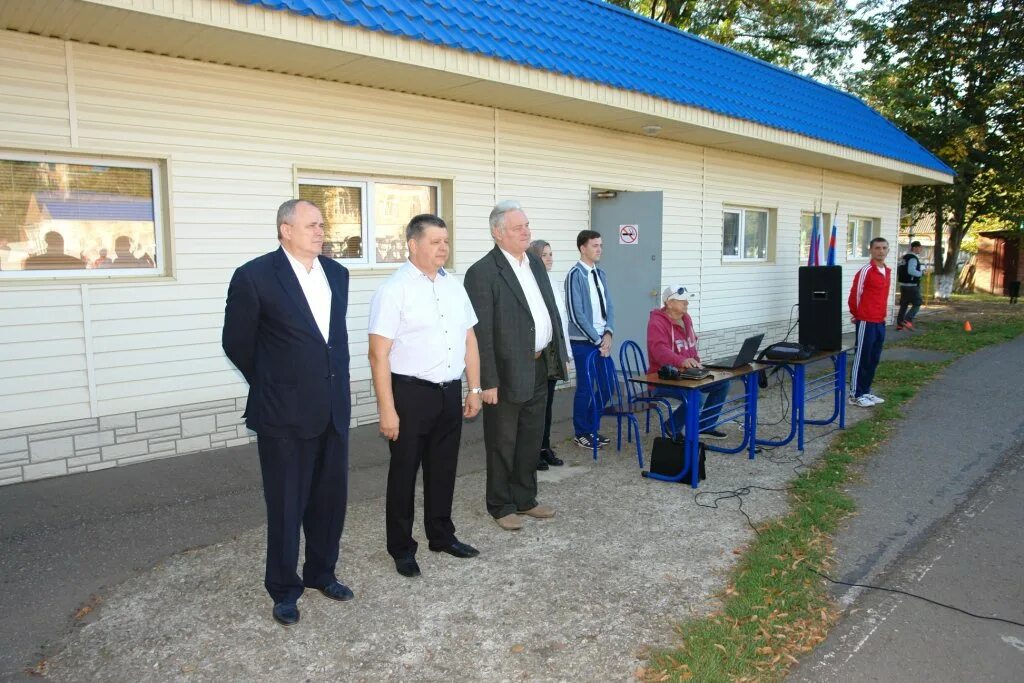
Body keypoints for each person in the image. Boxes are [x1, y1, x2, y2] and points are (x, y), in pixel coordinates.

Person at [222, 199, 353, 627]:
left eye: (322, 225)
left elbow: (332, 341)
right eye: (312, 225)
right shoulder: (255, 276)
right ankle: (283, 588)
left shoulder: (337, 273)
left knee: (329, 501)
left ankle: (322, 573)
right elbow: (237, 343)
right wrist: (274, 384)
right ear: (285, 230)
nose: (321, 231)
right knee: (285, 505)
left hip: (332, 409)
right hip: (282, 414)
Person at [368, 214, 483, 579]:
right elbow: (378, 354)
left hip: (448, 392)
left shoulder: (454, 286)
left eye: (446, 241)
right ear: (413, 245)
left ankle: (441, 535)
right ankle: (401, 548)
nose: (443, 248)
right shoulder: (394, 289)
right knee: (404, 473)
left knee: (444, 469)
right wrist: (387, 409)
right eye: (435, 242)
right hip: (410, 394)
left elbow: (469, 339)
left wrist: (474, 387)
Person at [464, 200, 569, 531]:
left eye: (527, 225)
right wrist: (486, 381)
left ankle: (525, 498)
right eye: (518, 227)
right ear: (498, 232)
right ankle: (500, 504)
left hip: (539, 366)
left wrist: (558, 355)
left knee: (530, 437)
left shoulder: (534, 264)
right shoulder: (482, 273)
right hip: (505, 373)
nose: (527, 231)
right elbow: (481, 334)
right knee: (502, 441)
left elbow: (547, 311)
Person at [646, 285, 731, 439]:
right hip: (662, 378)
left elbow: (691, 347)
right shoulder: (656, 323)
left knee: (723, 384)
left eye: (687, 300)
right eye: (682, 301)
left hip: (688, 375)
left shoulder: (686, 319)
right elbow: (659, 352)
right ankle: (671, 427)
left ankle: (705, 426)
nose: (687, 303)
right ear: (669, 303)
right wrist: (682, 361)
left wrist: (701, 367)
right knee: (697, 397)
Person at [564, 230, 614, 450]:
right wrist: (597, 340)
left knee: (608, 385)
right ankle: (581, 432)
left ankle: (591, 428)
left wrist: (609, 333)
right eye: (595, 246)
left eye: (600, 245)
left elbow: (609, 306)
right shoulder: (575, 275)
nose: (599, 249)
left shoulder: (600, 274)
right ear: (583, 248)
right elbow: (576, 314)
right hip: (584, 343)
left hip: (602, 341)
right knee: (585, 388)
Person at [527, 239, 571, 470]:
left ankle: (545, 447)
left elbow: (562, 321)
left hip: (554, 353)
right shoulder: (530, 283)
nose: (550, 258)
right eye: (545, 255)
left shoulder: (552, 282)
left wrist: (566, 354)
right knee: (536, 406)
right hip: (539, 354)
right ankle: (532, 452)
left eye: (551, 254)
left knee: (548, 405)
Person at [848, 236, 892, 408]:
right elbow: (855, 295)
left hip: (879, 321)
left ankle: (866, 391)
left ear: (887, 250)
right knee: (862, 356)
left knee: (874, 357)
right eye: (877, 248)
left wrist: (882, 315)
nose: (881, 251)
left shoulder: (886, 271)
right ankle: (855, 394)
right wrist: (858, 314)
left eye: (884, 248)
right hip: (866, 320)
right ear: (871, 250)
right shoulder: (866, 271)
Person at [897, 240, 924, 330]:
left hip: (903, 285)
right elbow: (911, 271)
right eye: (920, 247)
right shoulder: (913, 258)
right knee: (917, 303)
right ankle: (907, 320)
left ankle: (900, 324)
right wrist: (920, 273)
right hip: (912, 285)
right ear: (915, 248)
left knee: (904, 305)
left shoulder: (904, 257)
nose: (921, 249)